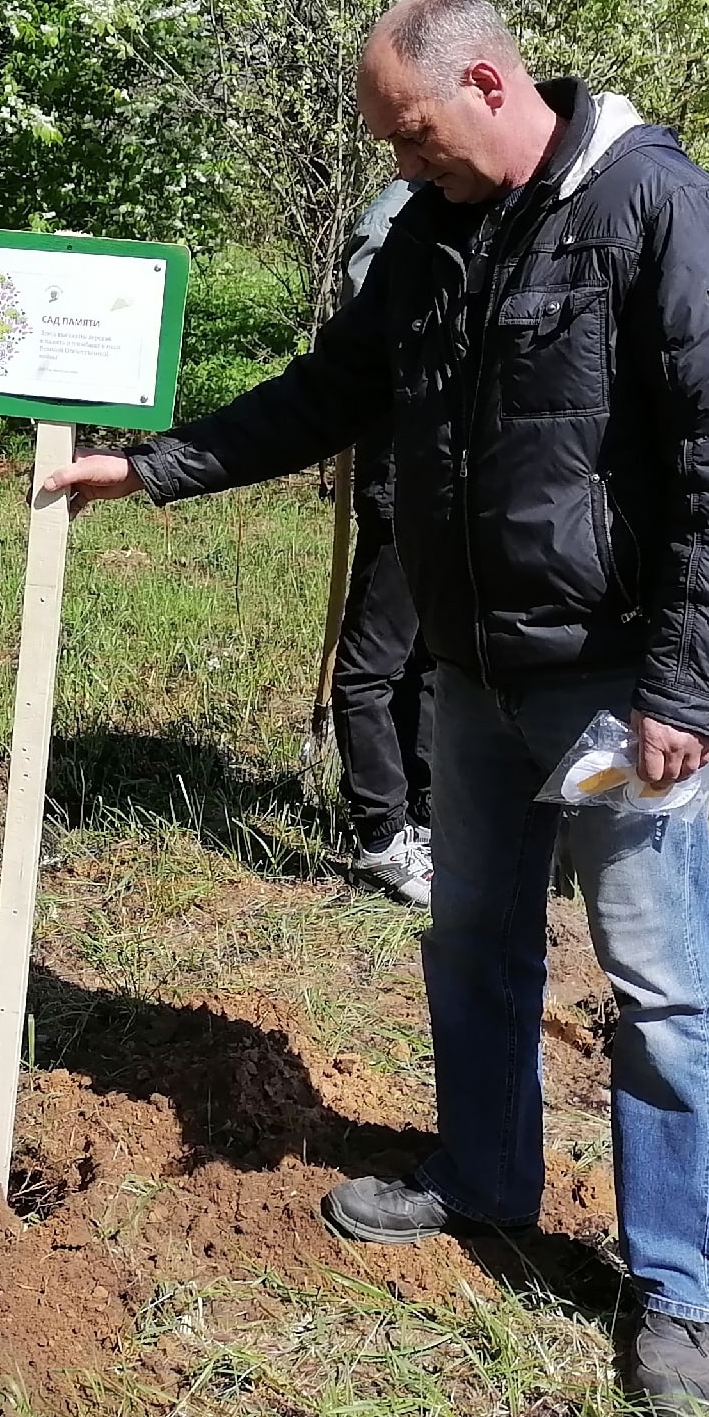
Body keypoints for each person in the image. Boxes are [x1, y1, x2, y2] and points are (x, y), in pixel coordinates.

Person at [45, 0, 709, 1417]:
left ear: (491, 83)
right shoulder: (435, 234)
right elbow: (334, 389)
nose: (402, 165)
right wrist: (153, 468)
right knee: (473, 946)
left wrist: (687, 685)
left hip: (614, 685)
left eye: (413, 135)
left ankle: (681, 1292)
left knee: (659, 996)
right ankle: (487, 1175)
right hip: (474, 676)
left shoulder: (657, 212)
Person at [328, 180, 436, 907]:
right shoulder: (399, 213)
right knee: (371, 667)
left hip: (451, 495)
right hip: (403, 484)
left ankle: (423, 816)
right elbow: (372, 334)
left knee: (427, 660)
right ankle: (380, 837)